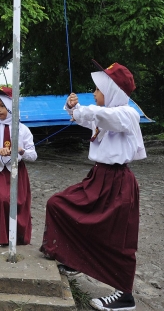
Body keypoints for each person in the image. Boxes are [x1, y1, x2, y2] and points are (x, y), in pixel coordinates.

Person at [40, 61, 145, 311]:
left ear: (112, 91)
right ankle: (72, 257)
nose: (94, 93)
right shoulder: (105, 115)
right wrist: (71, 107)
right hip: (97, 177)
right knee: (59, 204)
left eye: (98, 89)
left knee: (118, 236)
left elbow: (101, 116)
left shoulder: (126, 114)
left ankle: (125, 295)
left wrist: (82, 110)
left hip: (118, 182)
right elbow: (85, 118)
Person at [0, 87, 37, 247]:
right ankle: (5, 238)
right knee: (4, 199)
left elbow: (33, 155)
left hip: (18, 171)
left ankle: (20, 238)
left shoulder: (23, 130)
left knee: (21, 203)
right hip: (0, 171)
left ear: (10, 107)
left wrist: (21, 150)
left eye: (2, 106)